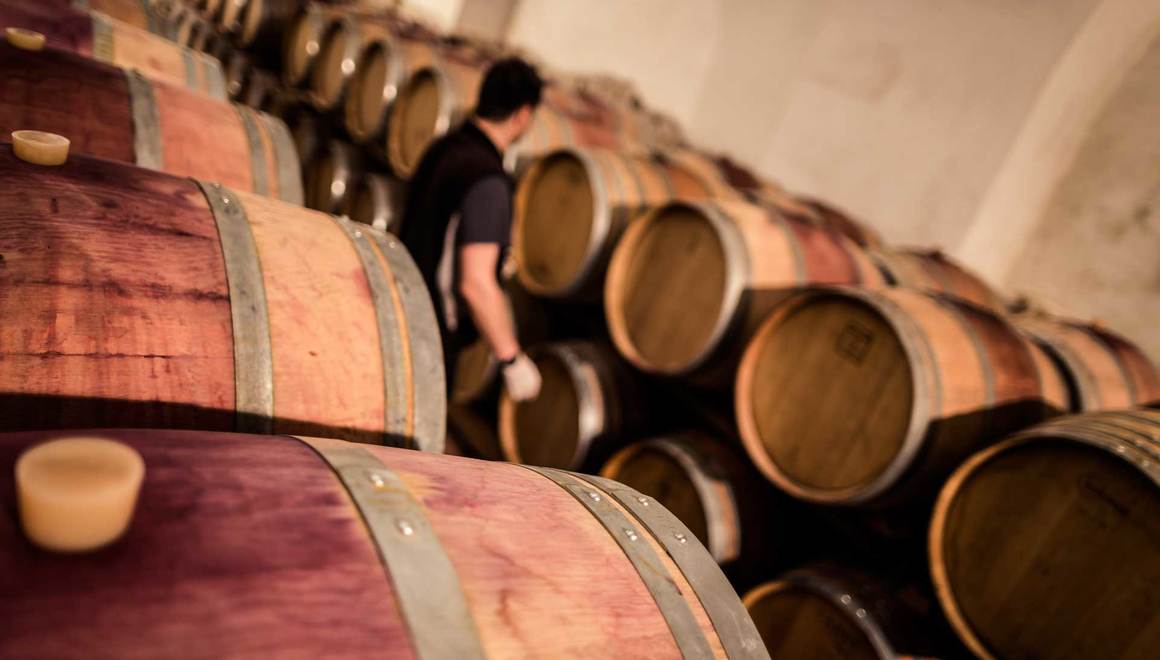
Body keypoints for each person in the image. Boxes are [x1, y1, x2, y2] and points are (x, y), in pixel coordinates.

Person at [398, 57, 543, 402]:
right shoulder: (488, 181)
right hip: (429, 340)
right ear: (522, 115)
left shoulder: (444, 147)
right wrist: (511, 360)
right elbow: (475, 284)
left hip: (398, 309)